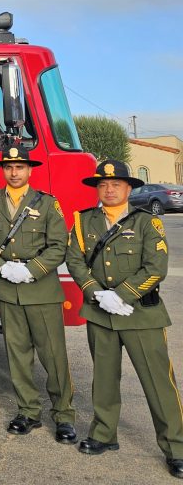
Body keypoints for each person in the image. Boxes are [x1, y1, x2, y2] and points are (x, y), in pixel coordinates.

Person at [65, 159, 183, 478]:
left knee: (158, 382)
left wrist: (122, 294)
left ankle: (176, 447)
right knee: (104, 379)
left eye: (115, 184)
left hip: (140, 313)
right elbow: (74, 260)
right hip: (100, 313)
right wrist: (96, 292)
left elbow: (156, 267)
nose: (109, 189)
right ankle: (104, 434)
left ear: (128, 188)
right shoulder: (83, 221)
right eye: (103, 185)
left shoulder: (146, 222)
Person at [0, 147, 76, 442]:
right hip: (8, 290)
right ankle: (28, 411)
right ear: (2, 170)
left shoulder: (46, 203)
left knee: (53, 356)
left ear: (30, 170)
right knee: (17, 355)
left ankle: (64, 415)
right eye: (9, 167)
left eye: (19, 167)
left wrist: (32, 270)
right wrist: (0, 267)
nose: (14, 172)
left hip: (41, 289)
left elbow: (59, 244)